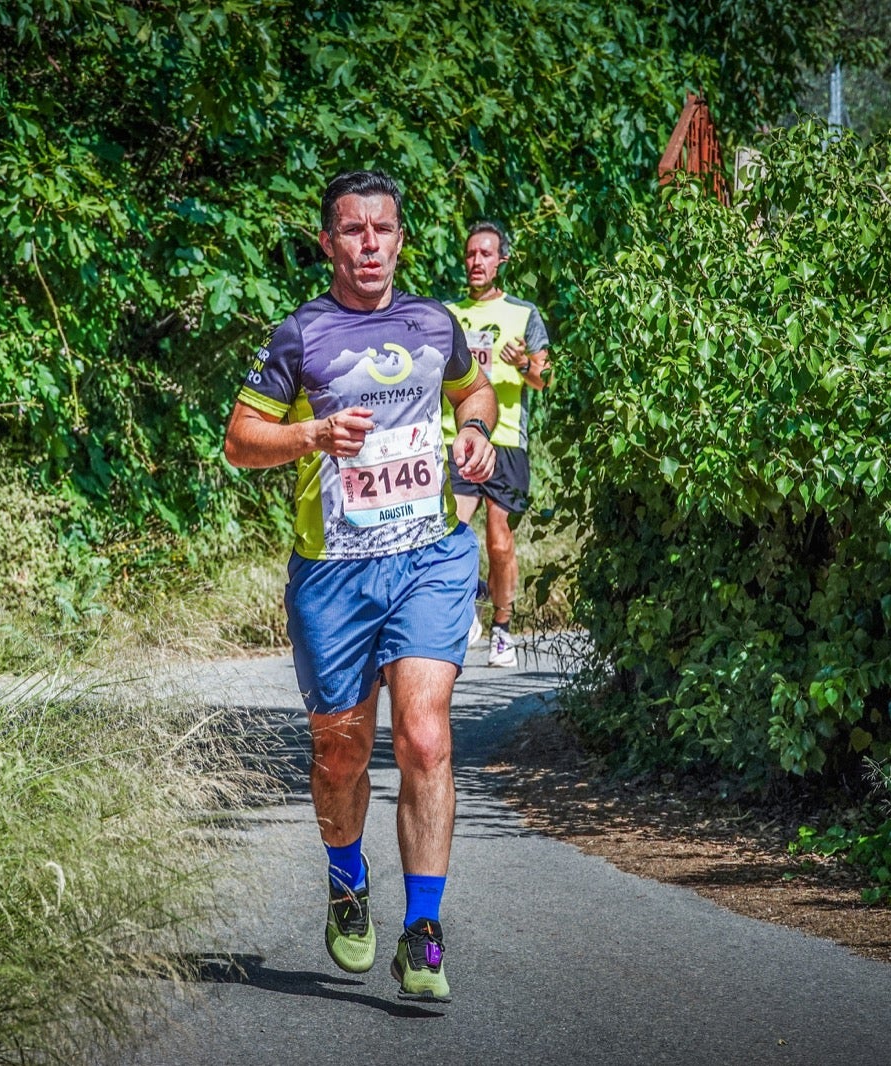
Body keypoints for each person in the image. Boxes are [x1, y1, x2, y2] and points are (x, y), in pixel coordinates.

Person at [223, 170, 498, 1002]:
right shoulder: (300, 335)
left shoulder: (435, 322)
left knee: (424, 738)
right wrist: (311, 434)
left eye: (383, 230)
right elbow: (241, 439)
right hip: (334, 574)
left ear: (402, 240)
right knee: (340, 755)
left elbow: (476, 390)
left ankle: (424, 934)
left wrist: (475, 432)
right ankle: (347, 883)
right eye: (353, 230)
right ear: (328, 242)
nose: (369, 244)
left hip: (429, 557)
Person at [441, 221, 551, 668]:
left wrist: (523, 363)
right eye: (470, 254)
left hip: (506, 441)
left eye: (485, 254)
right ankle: (467, 605)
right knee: (451, 533)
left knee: (499, 542)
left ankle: (502, 629)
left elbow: (544, 379)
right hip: (459, 438)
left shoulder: (523, 314)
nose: (476, 262)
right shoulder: (447, 313)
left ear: (501, 261)